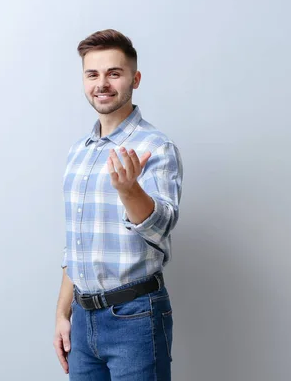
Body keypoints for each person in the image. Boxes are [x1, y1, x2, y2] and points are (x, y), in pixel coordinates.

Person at [53, 29, 183, 380]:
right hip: (82, 320)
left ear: (134, 79)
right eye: (92, 74)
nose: (102, 84)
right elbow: (76, 245)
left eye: (114, 73)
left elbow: (161, 227)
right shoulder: (78, 152)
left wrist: (129, 191)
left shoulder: (156, 147)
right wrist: (62, 315)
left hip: (135, 316)